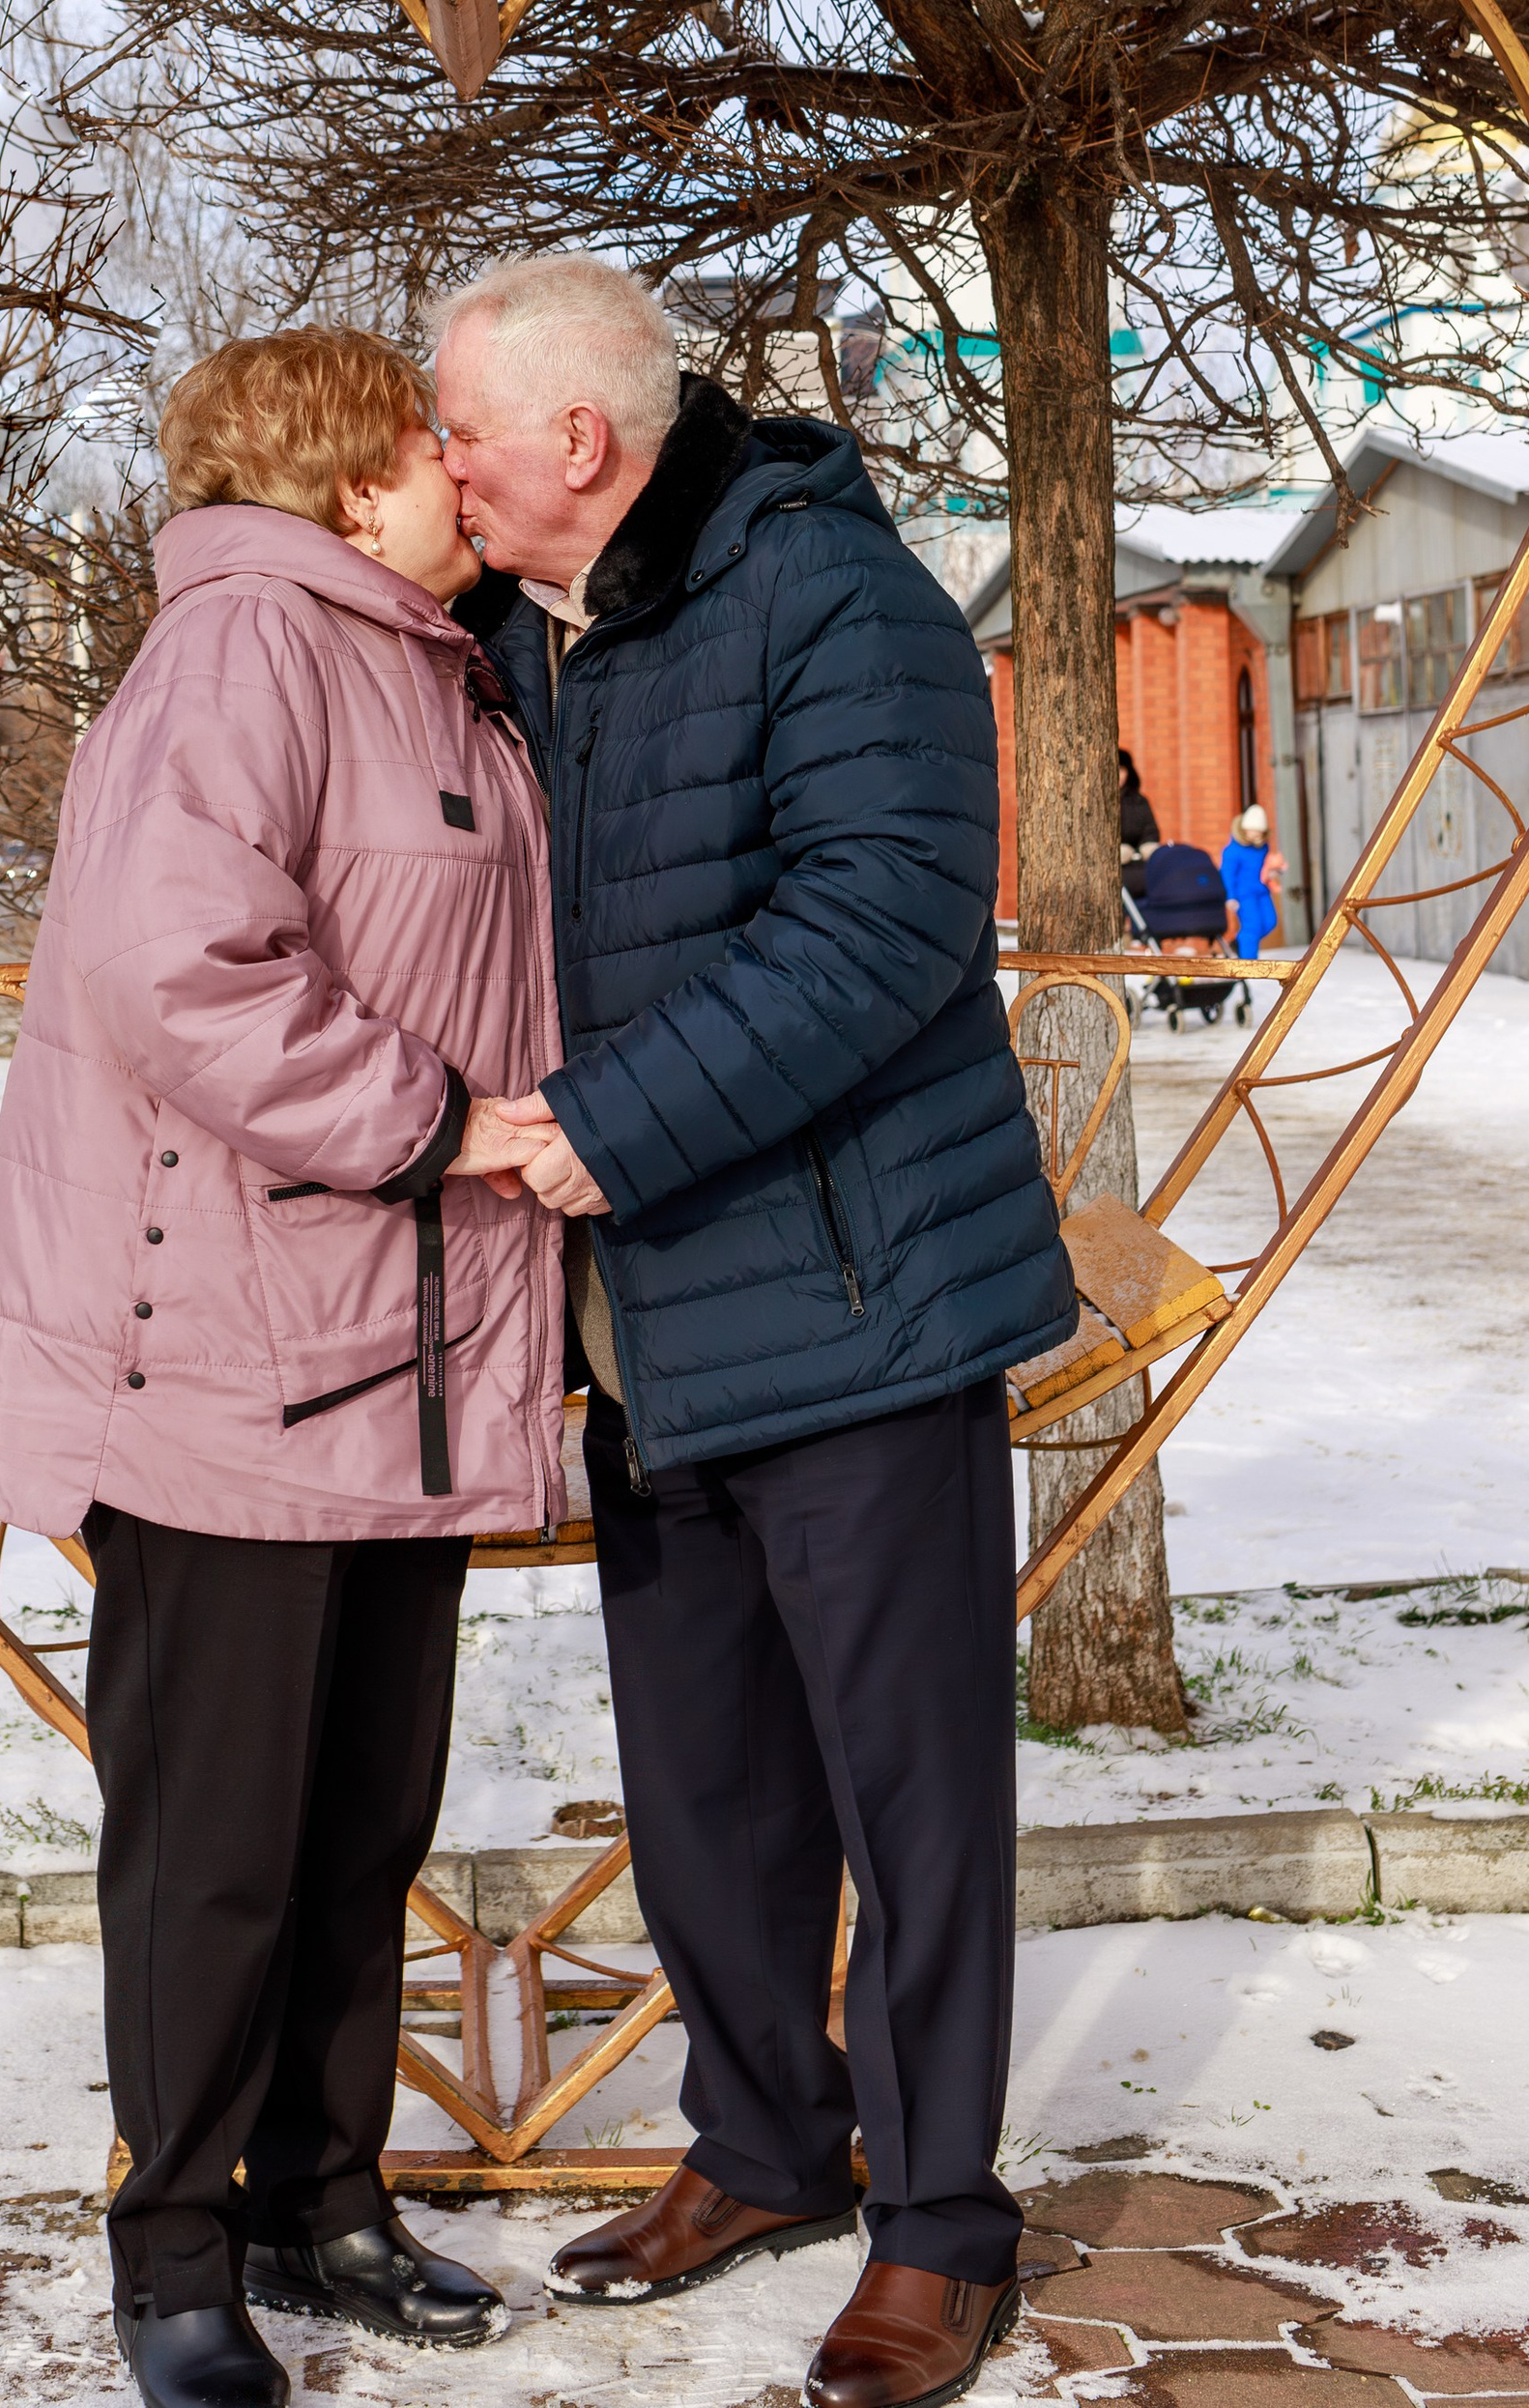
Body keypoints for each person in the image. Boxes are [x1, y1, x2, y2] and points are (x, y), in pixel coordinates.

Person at [437, 255, 1076, 2408]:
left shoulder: (832, 600)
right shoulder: (534, 635)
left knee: (908, 1792)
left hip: (850, 1295)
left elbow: (881, 923)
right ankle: (761, 2149)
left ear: (579, 448)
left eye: (460, 432)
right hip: (650, 1322)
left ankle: (940, 2224)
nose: (439, 466)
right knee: (702, 1778)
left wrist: (604, 1126)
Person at [0, 329, 562, 2408]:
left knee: (358, 1816)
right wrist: (441, 1119)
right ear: (338, 472)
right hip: (219, 1356)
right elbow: (173, 966)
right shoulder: (242, 652)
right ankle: (173, 2246)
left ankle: (325, 2196)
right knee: (210, 1839)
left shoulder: (415, 660)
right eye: (423, 441)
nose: (456, 475)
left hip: (398, 1348)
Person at [1219, 800, 1284, 960]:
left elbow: (1264, 866)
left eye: (1259, 832)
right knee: (1252, 926)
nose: (1256, 835)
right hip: (1243, 894)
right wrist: (1230, 896)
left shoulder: (1262, 847)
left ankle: (1238, 942)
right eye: (1252, 831)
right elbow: (1227, 874)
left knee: (1270, 922)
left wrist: (1273, 871)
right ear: (1244, 830)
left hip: (1261, 891)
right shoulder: (1233, 851)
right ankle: (1249, 962)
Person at [1117, 749, 1159, 906]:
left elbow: (1150, 830)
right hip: (1117, 867)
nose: (1119, 775)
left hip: (1138, 862)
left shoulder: (1139, 801)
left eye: (1122, 770)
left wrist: (1146, 847)